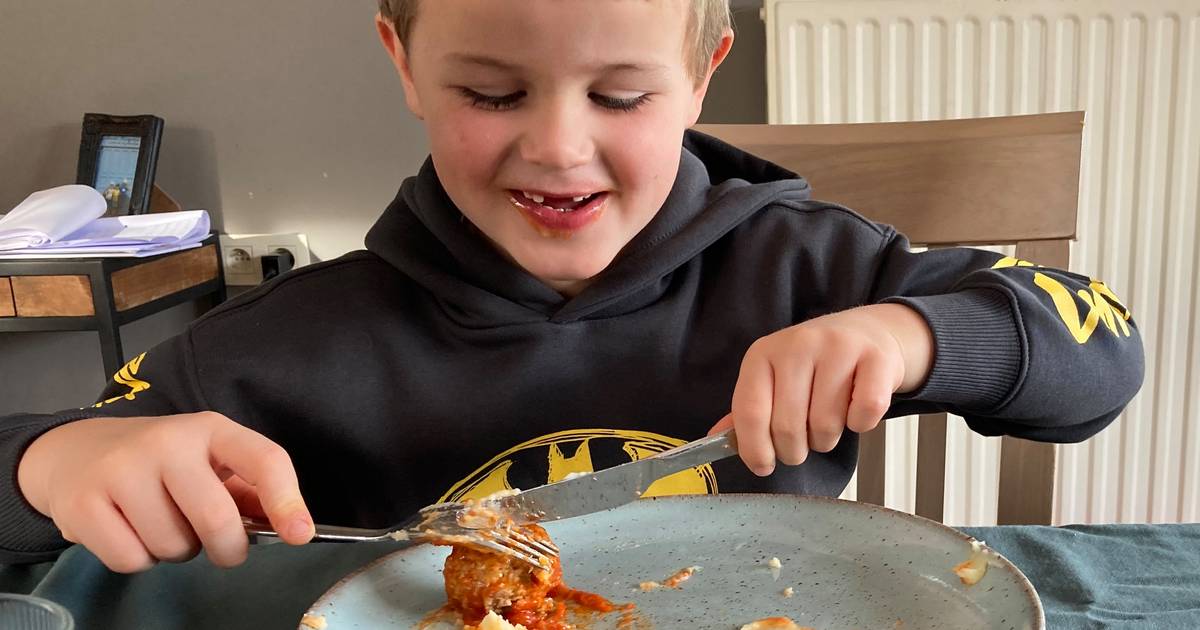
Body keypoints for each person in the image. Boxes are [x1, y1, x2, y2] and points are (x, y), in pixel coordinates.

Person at [0, 0, 1143, 574]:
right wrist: (56, 461)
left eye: (622, 96)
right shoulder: (277, 342)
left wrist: (913, 335)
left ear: (701, 75)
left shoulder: (812, 268)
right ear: (402, 62)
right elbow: (42, 461)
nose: (557, 149)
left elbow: (1098, 345)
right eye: (495, 93)